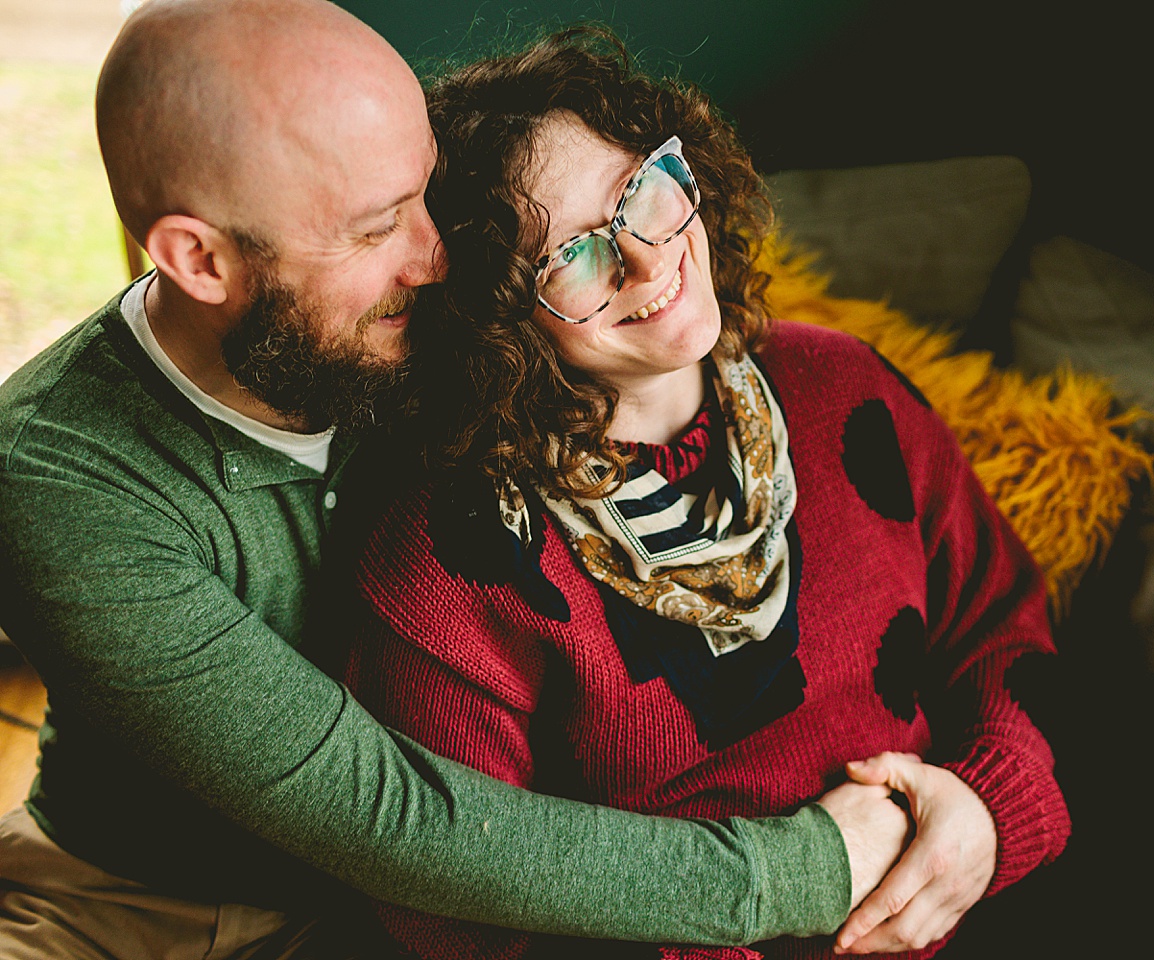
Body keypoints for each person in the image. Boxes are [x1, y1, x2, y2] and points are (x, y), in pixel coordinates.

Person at [0, 2, 911, 957]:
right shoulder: (60, 481)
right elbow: (386, 815)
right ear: (200, 260)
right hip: (139, 902)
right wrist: (808, 871)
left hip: (439, 909)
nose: (438, 258)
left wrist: (966, 805)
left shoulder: (436, 313)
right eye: (376, 228)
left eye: (424, 194)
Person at [341, 27, 1072, 960]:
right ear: (496, 319)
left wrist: (986, 813)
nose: (648, 262)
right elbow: (451, 913)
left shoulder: (848, 390)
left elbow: (1006, 628)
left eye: (640, 193)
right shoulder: (451, 566)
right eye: (572, 258)